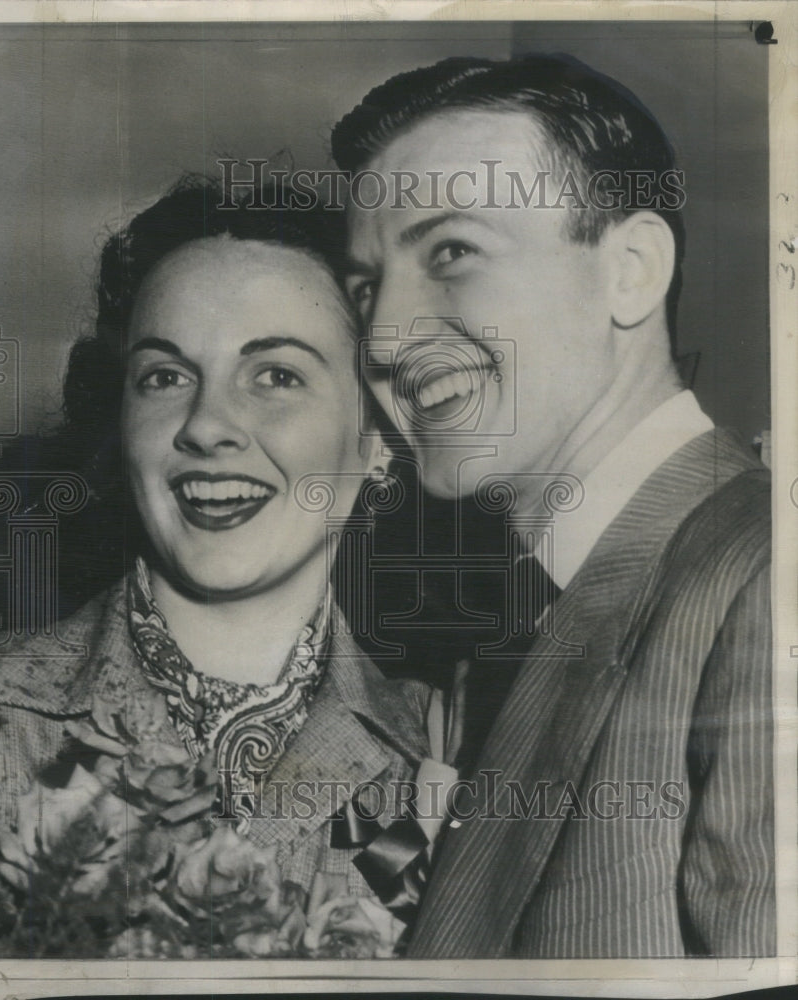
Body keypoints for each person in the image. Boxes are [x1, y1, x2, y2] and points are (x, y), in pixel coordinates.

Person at [331, 54, 774, 957]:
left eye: (451, 251)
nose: (380, 339)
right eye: (366, 285)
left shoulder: (764, 579)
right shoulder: (512, 610)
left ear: (631, 270)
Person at [0, 177, 435, 956]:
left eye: (277, 374)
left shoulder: (441, 761)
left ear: (378, 438)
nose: (208, 425)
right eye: (165, 376)